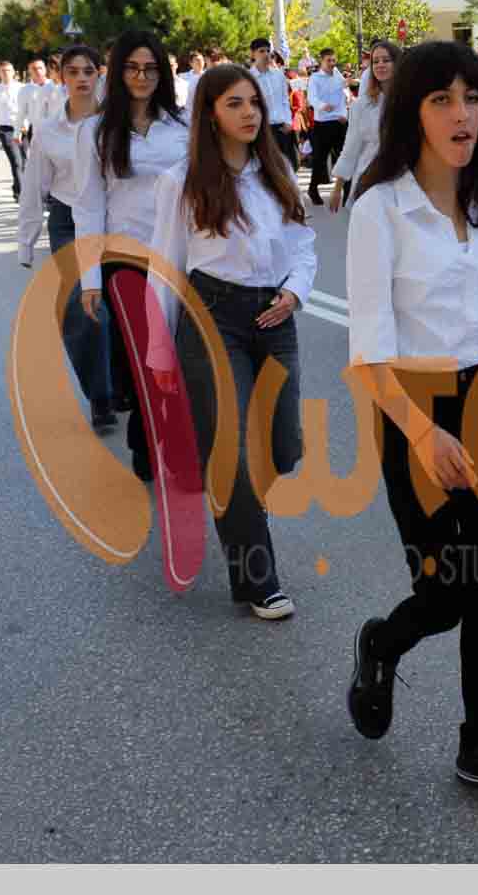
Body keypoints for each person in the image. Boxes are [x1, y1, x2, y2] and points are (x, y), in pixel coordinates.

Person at [343, 40, 478, 817]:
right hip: (414, 408)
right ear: (414, 113)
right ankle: (382, 643)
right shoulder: (380, 210)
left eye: (471, 98)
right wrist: (423, 435)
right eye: (442, 99)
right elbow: (368, 353)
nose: (462, 113)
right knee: (445, 592)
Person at [144, 61, 316, 620]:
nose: (249, 113)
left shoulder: (276, 169)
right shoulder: (181, 180)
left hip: (275, 317)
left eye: (254, 102)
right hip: (212, 317)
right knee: (231, 450)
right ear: (211, 114)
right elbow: (166, 266)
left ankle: (244, 504)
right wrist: (158, 350)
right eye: (234, 103)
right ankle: (258, 580)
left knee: (284, 447)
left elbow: (303, 244)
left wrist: (295, 292)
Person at [74, 29, 192, 483]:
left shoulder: (183, 126)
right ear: (118, 73)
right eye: (132, 68)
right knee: (144, 358)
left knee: (179, 356)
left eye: (150, 69)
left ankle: (166, 439)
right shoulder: (95, 132)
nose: (141, 77)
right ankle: (151, 443)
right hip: (126, 261)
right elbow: (88, 205)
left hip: (181, 257)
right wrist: (90, 278)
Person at [18, 44, 119, 434]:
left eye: (88, 71)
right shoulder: (48, 131)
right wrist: (26, 240)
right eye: (73, 72)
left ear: (99, 75)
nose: (81, 79)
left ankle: (122, 383)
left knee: (120, 306)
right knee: (86, 306)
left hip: (116, 219)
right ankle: (100, 396)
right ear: (62, 78)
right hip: (68, 221)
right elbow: (34, 187)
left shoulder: (116, 123)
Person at [330, 40, 399, 212]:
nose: (380, 65)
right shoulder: (361, 105)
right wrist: (338, 188)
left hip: (405, 182)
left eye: (386, 60)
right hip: (371, 180)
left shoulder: (413, 102)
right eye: (376, 61)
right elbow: (351, 147)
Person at [304, 49, 349, 205]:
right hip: (323, 124)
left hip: (339, 122)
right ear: (321, 61)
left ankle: (347, 191)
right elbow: (312, 98)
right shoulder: (315, 78)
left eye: (333, 60)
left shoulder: (338, 76)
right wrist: (323, 106)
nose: (331, 63)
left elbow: (344, 96)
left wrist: (344, 114)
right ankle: (313, 188)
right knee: (319, 159)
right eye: (328, 60)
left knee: (344, 157)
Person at [249, 37, 300, 173]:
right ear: (253, 54)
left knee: (289, 167)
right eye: (261, 51)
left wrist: (288, 122)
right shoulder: (248, 78)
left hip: (282, 128)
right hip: (262, 129)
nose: (266, 54)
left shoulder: (278, 75)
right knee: (266, 169)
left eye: (268, 51)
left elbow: (284, 100)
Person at [0, 60, 31, 201]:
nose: (6, 73)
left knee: (24, 161)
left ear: (13, 72)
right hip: (6, 129)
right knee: (16, 161)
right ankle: (22, 194)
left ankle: (17, 187)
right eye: (3, 71)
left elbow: (29, 109)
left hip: (23, 129)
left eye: (8, 70)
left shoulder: (23, 88)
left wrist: (27, 125)